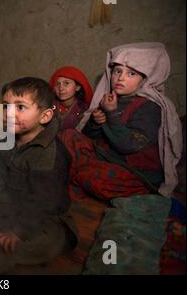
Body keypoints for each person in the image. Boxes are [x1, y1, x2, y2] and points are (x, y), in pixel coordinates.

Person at [0, 77, 77, 274]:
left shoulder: (50, 156)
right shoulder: (12, 135)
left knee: (48, 243)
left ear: (44, 117)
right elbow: (2, 163)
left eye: (20, 107)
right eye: (6, 106)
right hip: (16, 198)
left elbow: (45, 202)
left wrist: (18, 232)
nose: (9, 113)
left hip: (43, 213)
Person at [60, 42, 183, 200]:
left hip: (136, 173)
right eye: (117, 71)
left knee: (92, 176)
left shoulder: (149, 108)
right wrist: (96, 123)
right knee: (68, 136)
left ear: (145, 79)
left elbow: (127, 145)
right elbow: (90, 138)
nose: (120, 78)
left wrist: (111, 114)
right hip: (107, 158)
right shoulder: (109, 99)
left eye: (131, 73)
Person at [49, 66, 93, 131]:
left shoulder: (84, 109)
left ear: (77, 87)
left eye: (66, 83)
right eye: (57, 84)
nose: (61, 88)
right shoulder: (48, 105)